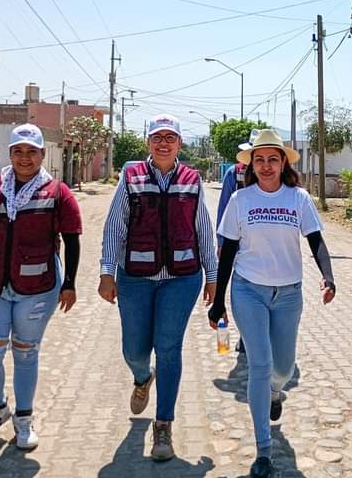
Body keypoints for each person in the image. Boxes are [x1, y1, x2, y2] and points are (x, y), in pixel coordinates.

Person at [208, 129, 336, 478]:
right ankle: (263, 448)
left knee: (284, 368)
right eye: (260, 160)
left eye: (273, 160)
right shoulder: (240, 201)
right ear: (252, 165)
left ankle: (276, 393)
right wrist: (218, 301)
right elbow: (229, 251)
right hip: (248, 291)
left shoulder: (298, 199)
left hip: (288, 295)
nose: (266, 166)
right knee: (260, 365)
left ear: (283, 164)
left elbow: (316, 241)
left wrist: (328, 276)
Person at [0, 123, 82, 450]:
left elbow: (71, 239)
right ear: (10, 154)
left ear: (41, 154)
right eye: (18, 151)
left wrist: (70, 283)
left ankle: (24, 420)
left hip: (37, 287)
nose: (25, 158)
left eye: (32, 152)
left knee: (26, 353)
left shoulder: (57, 192)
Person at [98, 114, 218, 462]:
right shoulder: (131, 177)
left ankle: (163, 424)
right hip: (135, 276)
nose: (163, 143)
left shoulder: (191, 180)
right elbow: (114, 227)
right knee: (134, 350)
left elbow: (203, 230)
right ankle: (141, 376)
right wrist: (107, 272)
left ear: (180, 144)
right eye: (157, 137)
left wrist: (212, 274)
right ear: (148, 142)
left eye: (170, 137)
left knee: (168, 347)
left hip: (181, 278)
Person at [215, 129, 259, 354]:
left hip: (260, 244)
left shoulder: (275, 175)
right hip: (235, 240)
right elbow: (224, 208)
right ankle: (245, 333)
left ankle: (252, 334)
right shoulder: (234, 174)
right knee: (240, 286)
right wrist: (221, 242)